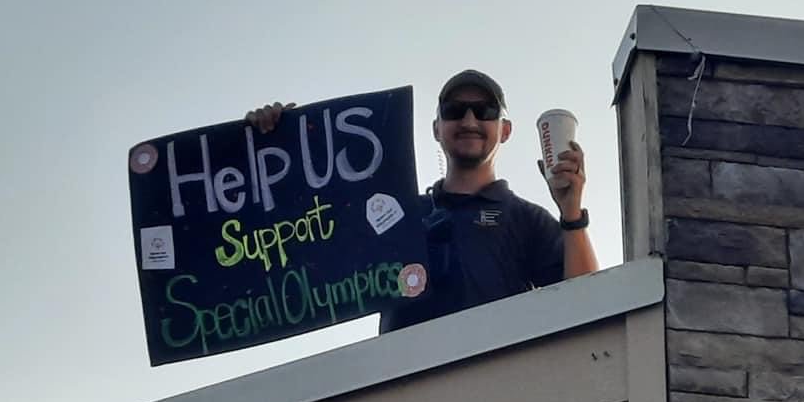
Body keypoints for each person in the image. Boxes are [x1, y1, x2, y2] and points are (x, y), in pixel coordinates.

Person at [245, 69, 599, 332]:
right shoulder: (396, 214)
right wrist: (277, 146)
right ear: (436, 128)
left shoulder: (526, 219)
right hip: (402, 398)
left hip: (498, 398)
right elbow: (310, 241)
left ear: (505, 130)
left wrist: (571, 211)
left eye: (485, 111)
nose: (470, 120)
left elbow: (587, 304)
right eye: (455, 110)